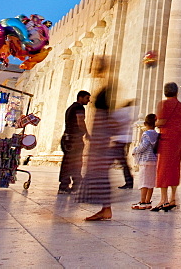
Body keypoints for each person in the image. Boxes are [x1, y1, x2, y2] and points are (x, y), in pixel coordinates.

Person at [78, 85, 115, 221]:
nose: (89, 101)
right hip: (103, 154)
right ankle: (106, 209)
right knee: (102, 181)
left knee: (100, 181)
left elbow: (100, 136)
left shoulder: (101, 116)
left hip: (100, 154)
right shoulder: (105, 115)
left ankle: (106, 209)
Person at [153, 81, 181, 211]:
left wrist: (156, 123)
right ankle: (173, 197)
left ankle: (163, 199)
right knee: (174, 166)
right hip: (178, 138)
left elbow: (161, 121)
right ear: (177, 92)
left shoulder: (163, 104)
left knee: (163, 167)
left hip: (166, 138)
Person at [58, 90, 90, 194]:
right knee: (76, 163)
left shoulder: (70, 108)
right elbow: (80, 121)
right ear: (80, 98)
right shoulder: (79, 108)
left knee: (67, 163)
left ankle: (63, 186)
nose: (88, 101)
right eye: (87, 98)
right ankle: (76, 186)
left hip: (67, 139)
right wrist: (87, 133)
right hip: (74, 140)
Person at [131, 113, 159, 210]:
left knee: (143, 181)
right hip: (154, 160)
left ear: (145, 123)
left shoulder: (146, 134)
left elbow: (144, 146)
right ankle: (148, 201)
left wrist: (135, 150)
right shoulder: (156, 134)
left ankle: (142, 201)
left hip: (145, 160)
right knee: (151, 182)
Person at [111, 101, 136, 190]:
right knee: (122, 161)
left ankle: (129, 181)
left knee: (117, 160)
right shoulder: (127, 114)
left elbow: (114, 124)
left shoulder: (121, 113)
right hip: (123, 139)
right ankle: (129, 181)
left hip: (119, 139)